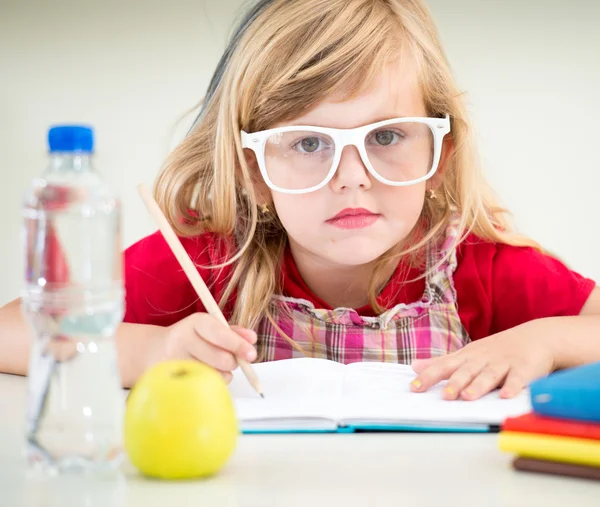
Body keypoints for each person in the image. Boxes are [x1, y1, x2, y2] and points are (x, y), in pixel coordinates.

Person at [2, 0, 599, 401]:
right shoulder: (213, 260)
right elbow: (14, 332)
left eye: (386, 136)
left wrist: (543, 340)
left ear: (437, 156)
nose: (351, 177)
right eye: (310, 141)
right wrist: (153, 349)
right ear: (254, 172)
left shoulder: (478, 268)